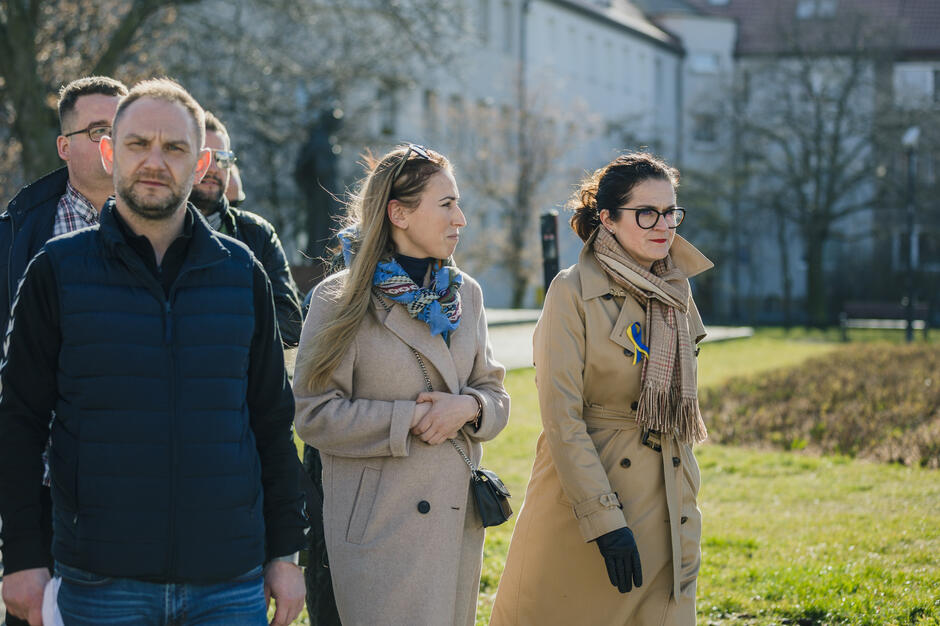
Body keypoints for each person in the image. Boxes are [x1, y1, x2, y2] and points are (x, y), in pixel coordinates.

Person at [0, 78, 306, 626]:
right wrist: (21, 557)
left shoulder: (242, 275)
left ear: (203, 161)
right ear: (110, 151)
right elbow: (18, 421)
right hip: (100, 580)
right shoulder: (56, 270)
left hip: (229, 581)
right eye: (139, 144)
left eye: (175, 147)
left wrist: (285, 553)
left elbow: (272, 425)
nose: (155, 161)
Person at [491, 152, 714, 625]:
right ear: (608, 219)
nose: (664, 225)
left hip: (668, 495)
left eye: (671, 211)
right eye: (647, 212)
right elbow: (561, 419)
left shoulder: (674, 289)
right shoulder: (571, 292)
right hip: (592, 500)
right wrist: (604, 521)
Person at [293, 144, 510, 625]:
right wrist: (410, 418)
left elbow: (495, 393)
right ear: (399, 213)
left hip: (454, 521)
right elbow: (314, 414)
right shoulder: (339, 298)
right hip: (379, 527)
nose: (462, 218)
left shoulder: (464, 294)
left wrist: (468, 408)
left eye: (458, 202)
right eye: (447, 204)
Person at [0, 75, 127, 626]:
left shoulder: (173, 226)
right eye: (97, 130)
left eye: (121, 129)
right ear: (63, 145)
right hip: (50, 489)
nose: (112, 144)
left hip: (147, 485)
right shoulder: (19, 231)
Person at [188, 111, 302, 347]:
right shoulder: (158, 230)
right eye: (203, 157)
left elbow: (290, 326)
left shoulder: (258, 233)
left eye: (222, 158)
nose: (213, 168)